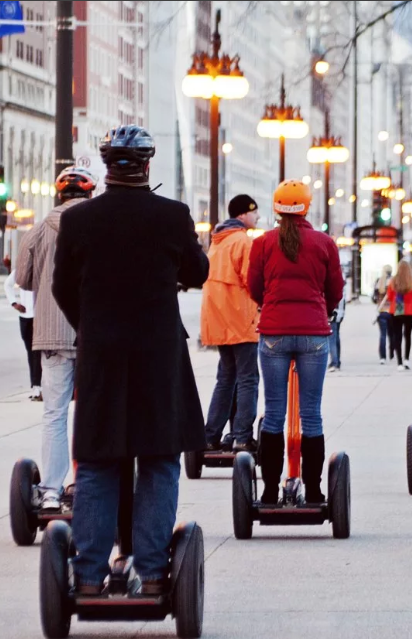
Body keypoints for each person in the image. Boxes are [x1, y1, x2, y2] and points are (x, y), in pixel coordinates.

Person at [52, 125, 208, 596]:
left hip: (103, 357)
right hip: (159, 358)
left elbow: (62, 287)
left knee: (99, 461)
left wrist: (93, 327)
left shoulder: (78, 221)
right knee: (160, 459)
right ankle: (155, 572)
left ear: (106, 166)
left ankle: (89, 575)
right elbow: (198, 272)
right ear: (146, 165)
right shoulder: (172, 216)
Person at [248, 179, 345, 505]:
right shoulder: (323, 243)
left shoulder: (263, 242)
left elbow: (254, 286)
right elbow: (335, 288)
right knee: (312, 415)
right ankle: (315, 491)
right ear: (306, 206)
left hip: (274, 333)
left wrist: (271, 305)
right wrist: (324, 309)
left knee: (274, 413)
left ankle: (270, 491)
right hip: (313, 335)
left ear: (276, 207)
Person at [15, 165, 97, 511]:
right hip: (94, 334)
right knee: (92, 412)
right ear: (89, 195)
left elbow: (23, 280)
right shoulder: (100, 228)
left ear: (58, 195)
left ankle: (50, 490)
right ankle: (88, 485)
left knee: (54, 413)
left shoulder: (37, 232)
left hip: (52, 334)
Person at [200, 194, 261, 453]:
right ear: (243, 214)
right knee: (248, 379)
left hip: (219, 321)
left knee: (225, 378)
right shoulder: (243, 242)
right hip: (241, 320)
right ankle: (242, 436)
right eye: (254, 212)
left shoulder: (217, 242)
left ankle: (211, 434)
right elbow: (253, 281)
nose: (257, 217)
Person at [4, 270, 42, 400]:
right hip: (25, 316)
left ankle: (38, 387)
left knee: (37, 353)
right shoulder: (21, 268)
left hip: (39, 316)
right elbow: (8, 284)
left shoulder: (42, 266)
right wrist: (14, 303)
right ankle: (35, 387)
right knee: (31, 353)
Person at [386, 260, 412, 370]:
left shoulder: (393, 281)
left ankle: (399, 362)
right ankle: (407, 360)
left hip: (397, 309)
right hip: (409, 310)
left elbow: (389, 297)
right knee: (407, 335)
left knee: (397, 336)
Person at [328, 270, 348, 371]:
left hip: (333, 313)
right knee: (336, 337)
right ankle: (337, 361)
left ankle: (334, 362)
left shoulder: (334, 283)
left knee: (332, 338)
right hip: (339, 313)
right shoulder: (342, 282)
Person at [374, 264, 393, 364]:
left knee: (382, 335)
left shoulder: (378, 282)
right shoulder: (393, 282)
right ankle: (392, 353)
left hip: (381, 311)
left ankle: (382, 357)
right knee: (392, 334)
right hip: (392, 311)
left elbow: (373, 298)